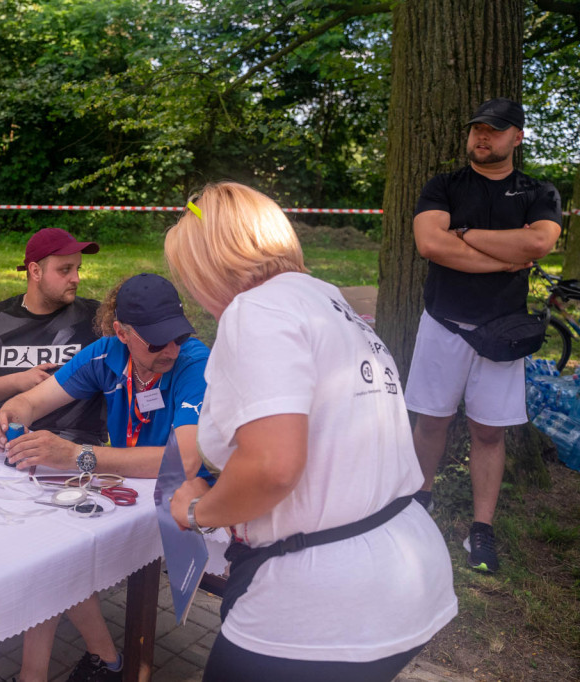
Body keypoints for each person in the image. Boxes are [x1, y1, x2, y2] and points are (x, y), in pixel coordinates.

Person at [165, 182, 458, 682]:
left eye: (186, 276)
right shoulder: (329, 301)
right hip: (402, 573)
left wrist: (196, 512)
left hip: (323, 598)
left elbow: (273, 467)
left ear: (206, 263)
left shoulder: (256, 310)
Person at [0, 272, 209, 682]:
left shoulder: (195, 362)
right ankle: (100, 662)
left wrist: (78, 456)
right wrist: (8, 417)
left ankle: (59, 671)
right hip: (127, 490)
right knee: (53, 552)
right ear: (122, 332)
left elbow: (186, 462)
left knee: (55, 556)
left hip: (186, 504)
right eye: (157, 342)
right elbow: (32, 401)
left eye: (178, 335)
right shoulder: (105, 353)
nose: (171, 350)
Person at [405, 98, 561, 573]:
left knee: (489, 431)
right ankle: (417, 505)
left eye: (493, 130)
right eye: (476, 129)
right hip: (444, 322)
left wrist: (466, 234)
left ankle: (482, 530)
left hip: (502, 332)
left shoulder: (538, 191)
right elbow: (431, 243)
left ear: (516, 136)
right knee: (431, 420)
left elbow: (538, 243)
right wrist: (505, 257)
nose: (482, 137)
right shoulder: (444, 186)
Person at [0, 227, 105, 446]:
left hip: (74, 443)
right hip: (6, 441)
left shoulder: (95, 318)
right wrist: (18, 381)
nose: (76, 278)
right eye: (65, 270)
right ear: (35, 271)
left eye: (77, 268)